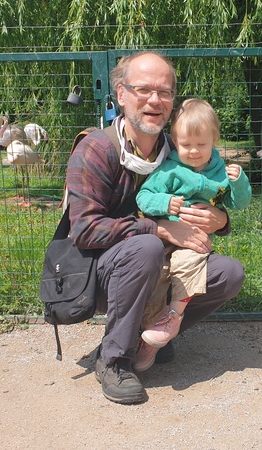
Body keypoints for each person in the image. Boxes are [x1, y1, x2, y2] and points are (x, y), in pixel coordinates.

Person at [65, 51, 246, 405]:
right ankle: (113, 359)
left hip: (161, 263)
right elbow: (84, 230)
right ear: (121, 94)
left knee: (229, 273)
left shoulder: (179, 149)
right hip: (100, 272)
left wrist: (221, 219)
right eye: (144, 90)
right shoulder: (96, 149)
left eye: (164, 92)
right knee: (146, 248)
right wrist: (157, 229)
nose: (154, 100)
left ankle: (151, 333)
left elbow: (211, 195)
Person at [135, 98, 251, 357]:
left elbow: (238, 203)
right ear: (175, 142)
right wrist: (165, 202)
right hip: (163, 240)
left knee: (187, 264)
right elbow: (143, 197)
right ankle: (148, 337)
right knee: (158, 279)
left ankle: (173, 318)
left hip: (194, 242)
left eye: (202, 144)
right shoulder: (170, 170)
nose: (194, 151)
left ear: (214, 140)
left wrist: (239, 183)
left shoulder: (221, 174)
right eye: (186, 145)